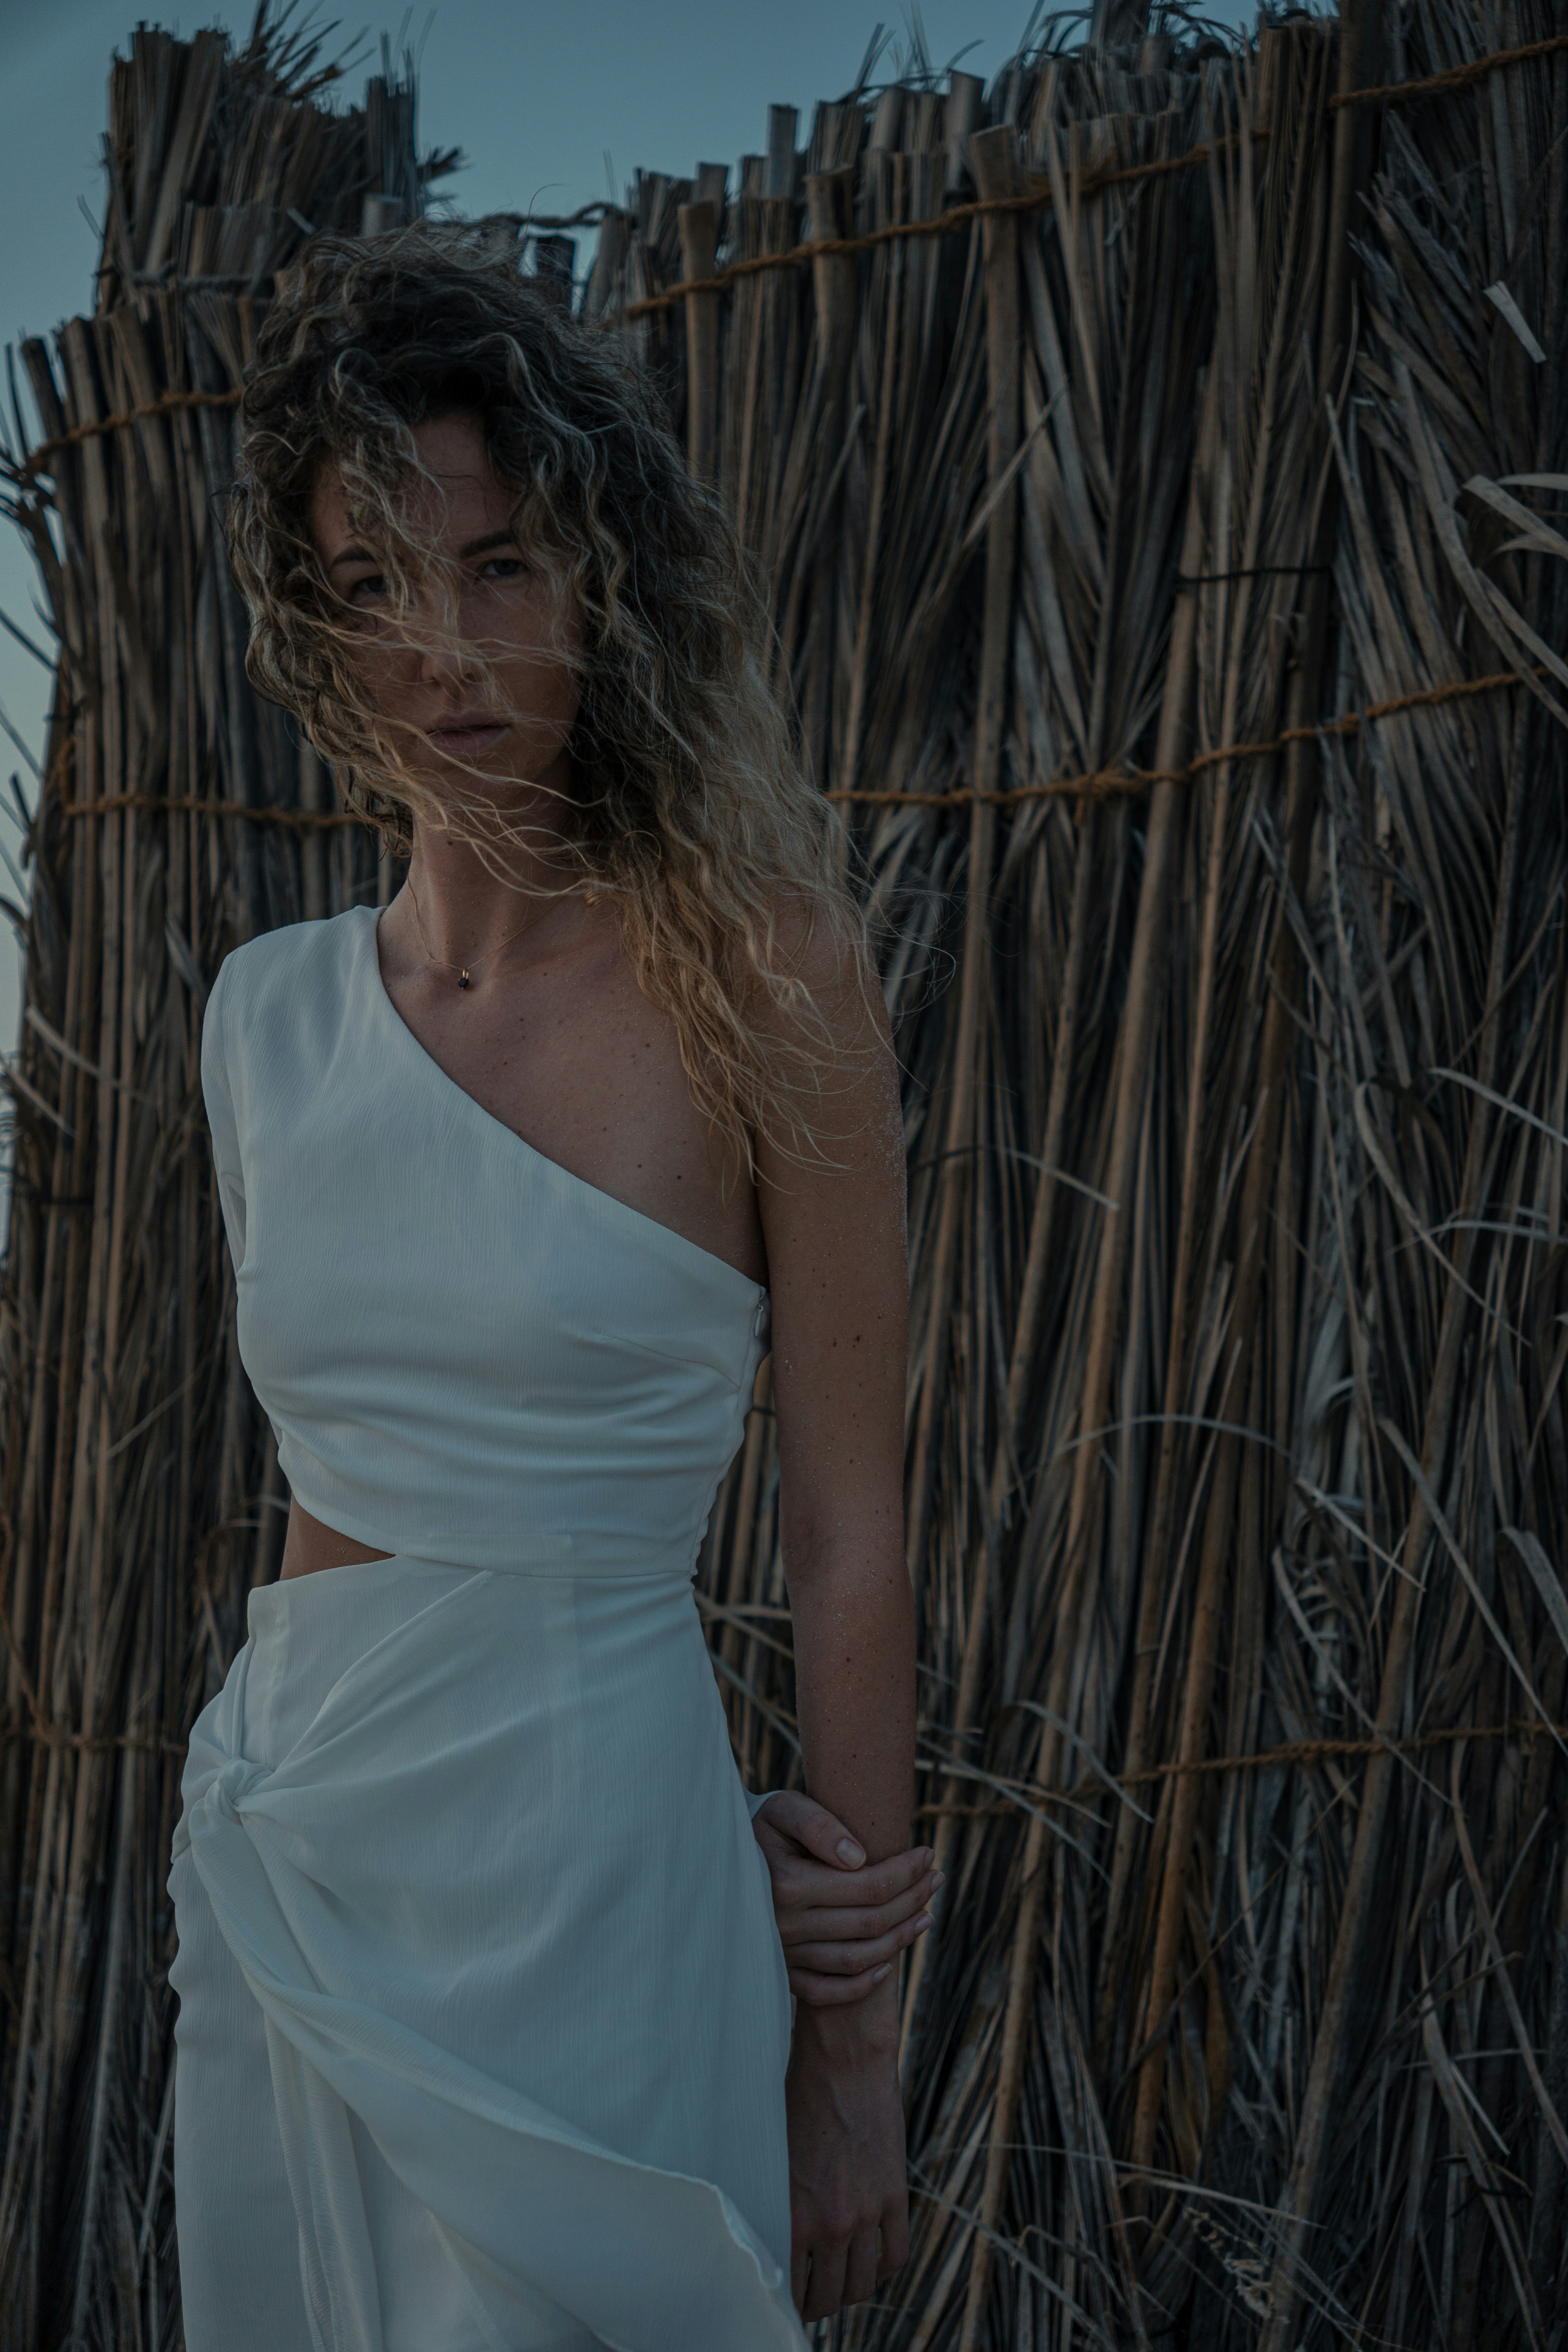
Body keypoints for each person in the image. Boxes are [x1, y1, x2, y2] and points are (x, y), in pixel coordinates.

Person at [165, 221, 941, 2352]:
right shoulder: (263, 1020)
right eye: (374, 587)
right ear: (310, 625)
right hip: (302, 1867)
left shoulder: (769, 975)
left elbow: (850, 1534)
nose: (451, 654)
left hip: (605, 1883)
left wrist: (848, 2057)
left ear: (605, 570)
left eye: (501, 565)